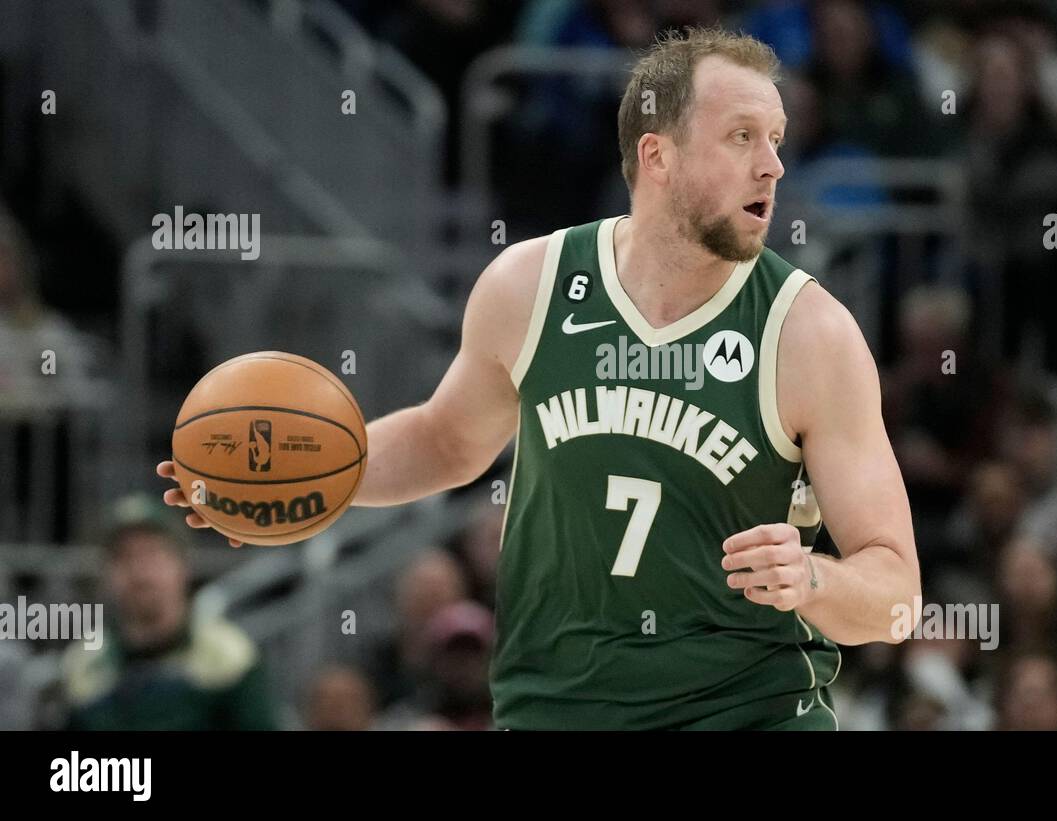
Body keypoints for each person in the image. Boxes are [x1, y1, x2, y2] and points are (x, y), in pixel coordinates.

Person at [160, 27, 920, 731]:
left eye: (778, 140)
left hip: (747, 714)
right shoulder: (531, 286)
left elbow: (897, 599)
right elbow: (447, 440)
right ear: (658, 157)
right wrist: (301, 478)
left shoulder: (809, 334)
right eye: (742, 137)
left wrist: (812, 581)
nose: (774, 165)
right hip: (555, 710)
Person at [60, 495, 279, 730]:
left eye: (153, 554)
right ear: (105, 574)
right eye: (124, 557)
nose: (140, 571)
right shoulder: (84, 666)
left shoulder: (229, 656)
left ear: (183, 566)